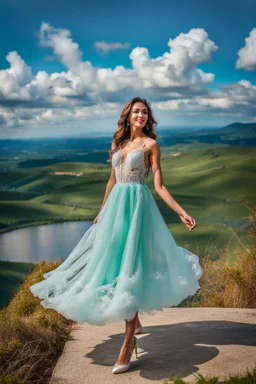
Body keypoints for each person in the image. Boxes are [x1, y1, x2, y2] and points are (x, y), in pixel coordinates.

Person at [30, 96, 203, 374]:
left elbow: (159, 185)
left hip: (137, 209)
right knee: (112, 266)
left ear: (149, 117)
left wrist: (181, 212)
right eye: (136, 112)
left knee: (131, 267)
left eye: (145, 112)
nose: (141, 116)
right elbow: (112, 181)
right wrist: (102, 212)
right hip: (115, 211)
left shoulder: (151, 145)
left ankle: (127, 343)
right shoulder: (118, 145)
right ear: (128, 115)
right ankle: (133, 321)